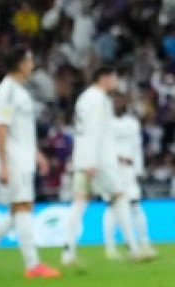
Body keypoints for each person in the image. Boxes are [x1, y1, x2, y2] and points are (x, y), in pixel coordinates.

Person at [0, 49, 62, 279]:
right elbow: (1, 128)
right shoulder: (6, 91)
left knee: (19, 210)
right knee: (23, 207)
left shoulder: (19, 91)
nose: (31, 64)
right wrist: (4, 164)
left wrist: (37, 154)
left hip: (23, 158)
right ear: (19, 64)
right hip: (14, 160)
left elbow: (22, 131)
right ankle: (33, 265)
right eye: (28, 60)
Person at [61, 67, 147, 266]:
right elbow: (93, 130)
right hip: (98, 162)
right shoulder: (97, 99)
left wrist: (84, 160)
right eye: (114, 78)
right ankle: (133, 248)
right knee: (119, 197)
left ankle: (68, 252)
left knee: (80, 202)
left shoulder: (86, 98)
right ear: (104, 78)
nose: (116, 82)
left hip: (84, 158)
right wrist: (91, 161)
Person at [103, 92, 156, 259]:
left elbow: (136, 147)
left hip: (129, 171)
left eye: (120, 101)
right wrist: (115, 158)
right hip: (112, 170)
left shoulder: (132, 123)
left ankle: (145, 242)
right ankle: (110, 247)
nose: (118, 104)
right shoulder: (105, 124)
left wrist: (138, 170)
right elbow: (102, 146)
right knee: (113, 207)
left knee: (135, 205)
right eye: (115, 101)